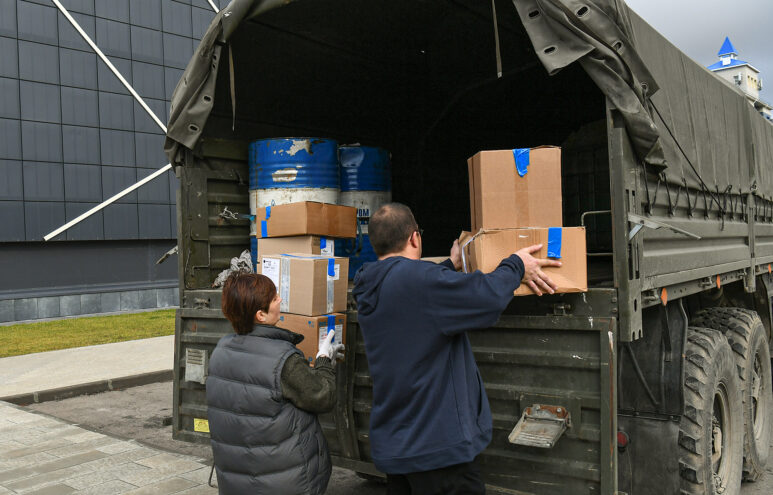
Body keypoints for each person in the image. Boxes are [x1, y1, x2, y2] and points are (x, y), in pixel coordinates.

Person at [352, 203, 560, 495]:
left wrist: (450, 266)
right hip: (437, 449)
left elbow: (414, 291)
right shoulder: (421, 282)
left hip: (397, 447)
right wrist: (516, 265)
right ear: (414, 238)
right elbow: (486, 298)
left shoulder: (369, 285)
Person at [206, 272, 344, 495]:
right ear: (261, 315)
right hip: (285, 483)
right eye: (274, 298)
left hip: (237, 480)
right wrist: (324, 360)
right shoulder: (284, 359)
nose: (280, 299)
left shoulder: (221, 350)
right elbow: (323, 397)